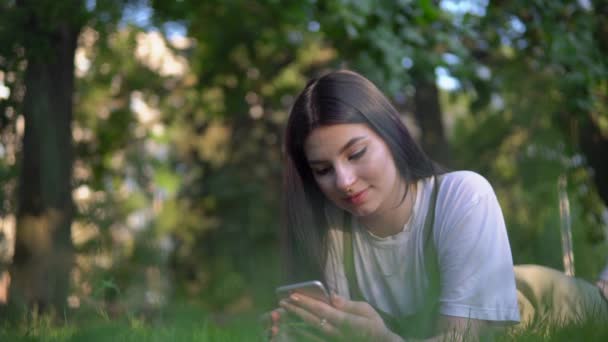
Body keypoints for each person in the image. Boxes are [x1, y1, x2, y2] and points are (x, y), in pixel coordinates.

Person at [266, 70, 520, 341]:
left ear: (391, 134)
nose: (344, 182)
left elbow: (468, 338)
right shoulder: (332, 230)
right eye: (323, 170)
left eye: (356, 154)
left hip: (541, 294)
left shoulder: (465, 196)